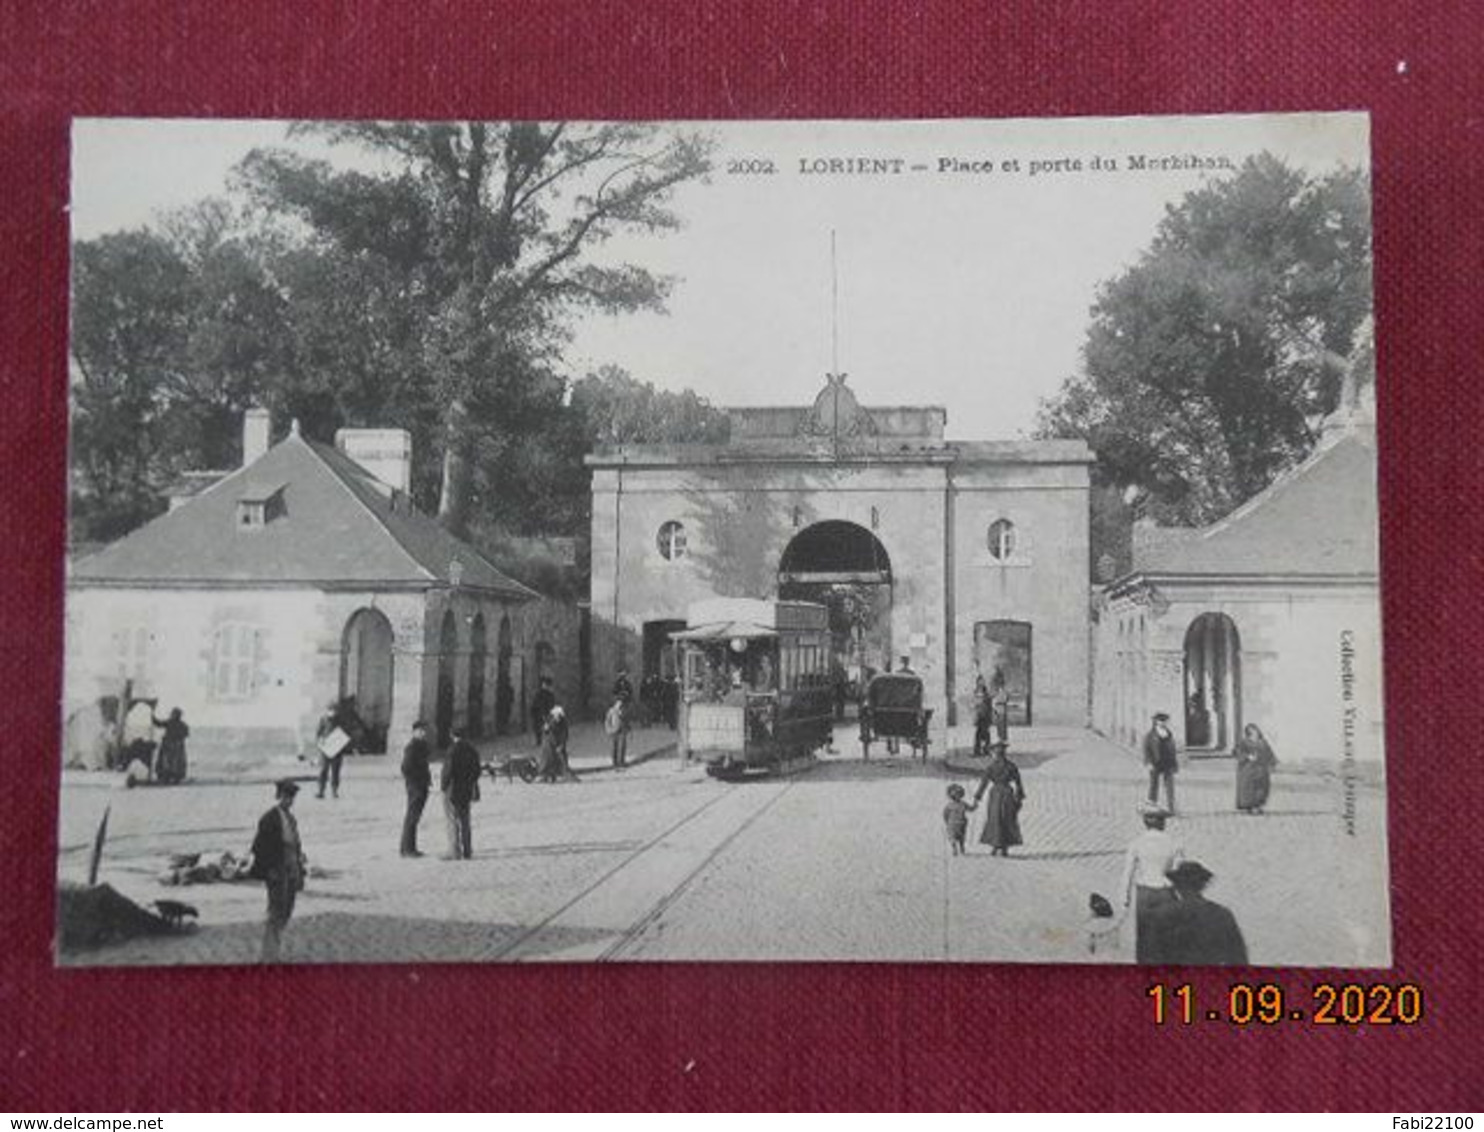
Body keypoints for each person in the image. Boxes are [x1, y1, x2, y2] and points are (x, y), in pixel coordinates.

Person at [1145, 861, 1249, 965]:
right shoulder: (1222, 915)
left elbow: (1150, 958)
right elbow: (1239, 960)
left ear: (1177, 885)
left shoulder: (1160, 915)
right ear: (1202, 885)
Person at [1117, 810, 1186, 964]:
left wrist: (1124, 897)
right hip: (1166, 892)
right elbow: (1179, 873)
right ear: (1162, 822)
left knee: (1144, 937)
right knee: (1167, 937)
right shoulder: (1174, 843)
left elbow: (1127, 872)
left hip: (1144, 892)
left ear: (1145, 822)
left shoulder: (1136, 843)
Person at [249, 778, 306, 963]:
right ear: (279, 796)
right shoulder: (269, 819)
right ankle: (268, 955)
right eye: (286, 796)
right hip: (277, 870)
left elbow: (296, 846)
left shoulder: (291, 819)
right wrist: (269, 870)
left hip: (291, 869)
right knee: (275, 912)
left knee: (286, 910)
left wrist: (299, 868)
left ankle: (274, 950)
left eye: (291, 797)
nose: (289, 800)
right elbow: (259, 847)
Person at [973, 741, 1027, 856]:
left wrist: (977, 797)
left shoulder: (991, 767)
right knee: (1007, 819)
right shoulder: (1012, 766)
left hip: (996, 794)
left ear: (995, 754)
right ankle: (1005, 847)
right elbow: (1018, 783)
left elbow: (984, 783)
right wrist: (1019, 797)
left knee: (995, 819)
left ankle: (995, 845)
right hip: (1008, 793)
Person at [440, 726, 481, 860]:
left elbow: (448, 771)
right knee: (465, 821)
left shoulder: (452, 750)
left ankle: (454, 851)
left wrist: (443, 786)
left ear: (453, 736)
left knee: (452, 821)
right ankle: (468, 850)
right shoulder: (472, 750)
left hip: (453, 790)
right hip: (467, 790)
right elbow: (477, 771)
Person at [399, 720, 432, 857]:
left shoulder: (421, 745)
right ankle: (407, 849)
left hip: (421, 785)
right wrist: (417, 781)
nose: (424, 733)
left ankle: (411, 847)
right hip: (415, 786)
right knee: (411, 818)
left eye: (425, 730)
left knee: (415, 818)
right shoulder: (412, 747)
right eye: (421, 731)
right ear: (414, 732)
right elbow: (406, 768)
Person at [1234, 722, 1278, 814]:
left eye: (1256, 731)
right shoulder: (1244, 742)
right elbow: (1237, 752)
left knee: (1262, 788)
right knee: (1249, 789)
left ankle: (1258, 805)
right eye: (1253, 731)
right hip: (1248, 770)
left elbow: (1269, 753)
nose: (1256, 733)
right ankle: (1250, 806)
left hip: (1262, 770)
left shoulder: (1263, 742)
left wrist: (1272, 763)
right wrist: (1247, 757)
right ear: (1249, 733)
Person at [1142, 711, 1179, 815]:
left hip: (1168, 762)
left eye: (1165, 721)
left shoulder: (1168, 734)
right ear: (1156, 722)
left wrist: (1175, 764)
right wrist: (1148, 762)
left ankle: (1171, 807)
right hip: (1155, 762)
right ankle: (1151, 805)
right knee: (1154, 784)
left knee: (1170, 785)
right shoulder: (1150, 735)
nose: (1163, 723)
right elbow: (1146, 749)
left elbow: (1172, 749)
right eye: (1160, 721)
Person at [315, 700, 353, 800]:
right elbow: (318, 733)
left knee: (335, 771)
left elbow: (346, 733)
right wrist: (320, 741)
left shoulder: (340, 720)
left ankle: (334, 790)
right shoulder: (323, 719)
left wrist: (341, 743)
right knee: (323, 770)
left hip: (337, 750)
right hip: (325, 749)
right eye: (330, 709)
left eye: (334, 710)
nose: (332, 712)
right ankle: (321, 790)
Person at [151, 707, 190, 784]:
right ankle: (170, 776)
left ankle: (171, 776)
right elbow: (158, 723)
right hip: (172, 745)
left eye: (174, 714)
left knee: (170, 762)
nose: (173, 715)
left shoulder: (176, 724)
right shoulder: (177, 724)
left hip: (172, 746)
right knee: (169, 762)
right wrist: (153, 717)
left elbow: (186, 734)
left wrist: (153, 717)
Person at [942, 783, 977, 856]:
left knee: (960, 838)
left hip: (960, 824)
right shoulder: (951, 805)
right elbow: (945, 814)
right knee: (954, 838)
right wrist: (948, 822)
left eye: (959, 794)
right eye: (956, 795)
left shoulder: (961, 804)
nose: (957, 796)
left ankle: (961, 848)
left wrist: (975, 805)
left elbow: (971, 809)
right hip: (954, 824)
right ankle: (955, 848)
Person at [605, 694, 630, 769]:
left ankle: (621, 761)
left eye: (621, 703)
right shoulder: (611, 710)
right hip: (614, 730)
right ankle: (614, 762)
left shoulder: (624, 710)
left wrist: (628, 728)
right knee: (614, 746)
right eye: (618, 703)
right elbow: (607, 721)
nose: (620, 704)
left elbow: (626, 720)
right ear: (615, 703)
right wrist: (608, 729)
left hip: (622, 730)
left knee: (622, 746)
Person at [529, 677, 556, 745]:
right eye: (544, 684)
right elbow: (535, 704)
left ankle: (548, 740)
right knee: (537, 727)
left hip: (547, 712)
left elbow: (551, 704)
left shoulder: (550, 695)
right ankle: (539, 741)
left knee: (548, 727)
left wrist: (550, 713)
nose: (545, 686)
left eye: (546, 684)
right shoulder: (538, 694)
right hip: (538, 712)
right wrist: (536, 712)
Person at [972, 675, 993, 757]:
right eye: (979, 681)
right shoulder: (976, 691)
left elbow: (989, 704)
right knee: (978, 733)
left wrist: (990, 716)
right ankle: (977, 750)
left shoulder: (986, 692)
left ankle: (986, 750)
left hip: (986, 715)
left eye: (982, 681)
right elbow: (974, 704)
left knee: (986, 733)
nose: (980, 683)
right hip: (979, 716)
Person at [989, 666, 1010, 744]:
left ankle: (1002, 738)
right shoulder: (999, 691)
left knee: (1001, 724)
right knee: (1000, 724)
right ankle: (1001, 737)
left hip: (1001, 708)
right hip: (999, 708)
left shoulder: (1002, 691)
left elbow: (1005, 698)